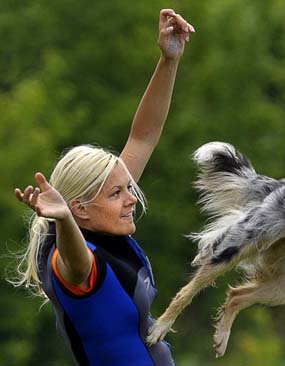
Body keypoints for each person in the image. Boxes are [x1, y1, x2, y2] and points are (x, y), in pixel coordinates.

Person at [11, 9, 195, 366]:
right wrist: (63, 221)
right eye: (116, 193)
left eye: (127, 188)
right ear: (79, 209)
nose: (131, 199)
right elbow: (77, 264)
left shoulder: (102, 227)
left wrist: (168, 61)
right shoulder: (73, 266)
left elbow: (144, 135)